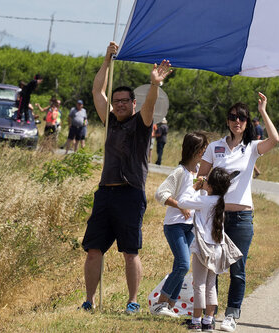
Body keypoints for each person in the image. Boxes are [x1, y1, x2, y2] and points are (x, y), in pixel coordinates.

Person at [80, 41, 172, 314]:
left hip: (130, 193)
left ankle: (132, 301)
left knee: (130, 251)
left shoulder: (142, 123)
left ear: (134, 104)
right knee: (94, 249)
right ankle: (89, 301)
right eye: (116, 101)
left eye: (124, 101)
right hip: (105, 193)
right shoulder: (110, 122)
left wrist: (154, 85)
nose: (119, 105)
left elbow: (150, 105)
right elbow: (98, 90)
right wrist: (107, 60)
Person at [197, 92, 279, 332]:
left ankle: (232, 315)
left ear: (247, 122)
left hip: (242, 217)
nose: (237, 121)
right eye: (233, 117)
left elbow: (274, 139)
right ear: (227, 121)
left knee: (237, 268)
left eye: (242, 118)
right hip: (217, 215)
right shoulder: (215, 147)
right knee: (213, 266)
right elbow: (200, 177)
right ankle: (209, 315)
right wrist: (206, 191)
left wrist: (263, 111)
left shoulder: (251, 148)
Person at [150, 131, 209, 318]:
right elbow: (161, 194)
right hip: (175, 225)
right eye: (204, 149)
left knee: (181, 266)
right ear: (196, 150)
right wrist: (180, 206)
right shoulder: (180, 172)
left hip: (191, 226)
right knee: (183, 264)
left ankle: (169, 305)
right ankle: (160, 304)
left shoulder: (200, 172)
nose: (206, 152)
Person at [178, 167, 243, 332]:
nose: (204, 180)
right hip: (217, 249)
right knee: (211, 284)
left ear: (211, 185)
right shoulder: (219, 200)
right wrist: (203, 189)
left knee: (199, 284)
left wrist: (193, 188)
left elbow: (182, 202)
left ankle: (196, 320)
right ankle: (208, 320)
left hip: (203, 249)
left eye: (207, 180)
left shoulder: (205, 201)